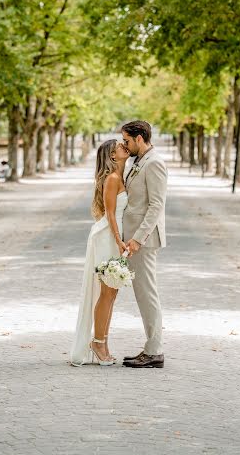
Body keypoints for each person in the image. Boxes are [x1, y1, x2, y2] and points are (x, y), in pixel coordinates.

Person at [70, 139, 130, 366]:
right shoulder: (112, 179)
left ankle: (102, 342)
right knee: (106, 293)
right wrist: (118, 240)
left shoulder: (120, 176)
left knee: (111, 293)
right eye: (120, 147)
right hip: (107, 237)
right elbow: (111, 214)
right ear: (112, 156)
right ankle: (97, 342)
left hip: (114, 237)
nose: (124, 147)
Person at [121, 120, 167, 369]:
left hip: (144, 240)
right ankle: (151, 348)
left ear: (140, 138)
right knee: (142, 294)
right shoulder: (137, 162)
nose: (125, 146)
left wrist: (138, 238)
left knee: (148, 293)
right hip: (133, 237)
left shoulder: (155, 163)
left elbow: (156, 206)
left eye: (127, 141)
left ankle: (154, 351)